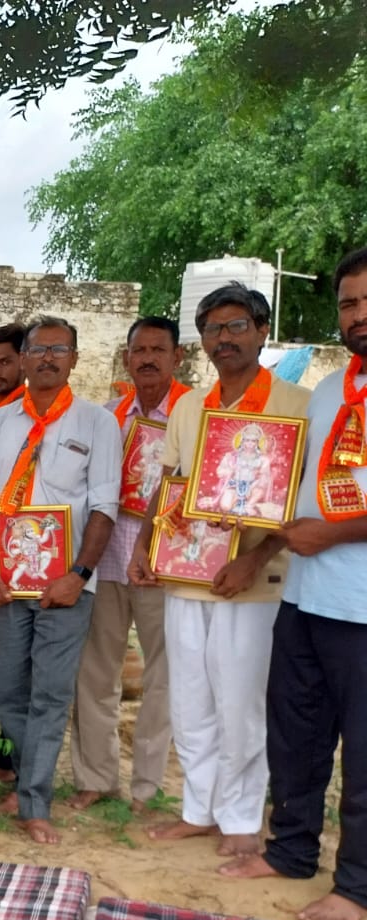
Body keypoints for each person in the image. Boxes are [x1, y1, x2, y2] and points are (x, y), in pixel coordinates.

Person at [128, 285, 309, 855]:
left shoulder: (297, 405)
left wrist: (256, 558)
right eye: (212, 329)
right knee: (190, 702)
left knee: (240, 704)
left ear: (261, 330)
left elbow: (301, 502)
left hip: (251, 586)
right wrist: (144, 545)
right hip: (187, 574)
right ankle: (199, 809)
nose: (223, 339)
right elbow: (169, 483)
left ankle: (241, 821)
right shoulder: (190, 406)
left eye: (235, 327)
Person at [219, 248, 367, 920]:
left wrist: (332, 535)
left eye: (365, 301)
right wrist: (256, 534)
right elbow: (294, 488)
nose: (357, 315)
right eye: (348, 303)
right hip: (306, 594)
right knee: (296, 735)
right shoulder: (331, 390)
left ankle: (356, 885)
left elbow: (325, 519)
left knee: (362, 751)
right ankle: (291, 852)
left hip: (360, 606)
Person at [0, 317, 122, 845]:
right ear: (24, 359)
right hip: (7, 583)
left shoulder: (98, 422)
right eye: (39, 349)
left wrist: (79, 574)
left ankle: (35, 803)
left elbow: (104, 506)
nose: (49, 358)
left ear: (75, 358)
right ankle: (27, 782)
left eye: (60, 349)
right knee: (12, 692)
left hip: (65, 585)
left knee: (50, 694)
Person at [69, 316, 188, 811]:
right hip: (108, 560)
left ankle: (147, 786)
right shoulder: (109, 416)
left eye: (159, 350)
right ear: (126, 358)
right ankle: (96, 778)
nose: (148, 359)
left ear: (178, 357)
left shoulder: (193, 413)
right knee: (95, 673)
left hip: (166, 565)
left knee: (163, 676)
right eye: (139, 350)